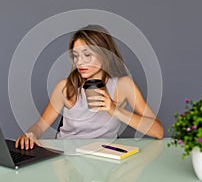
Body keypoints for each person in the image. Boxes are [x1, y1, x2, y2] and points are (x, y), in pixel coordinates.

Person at [15, 25, 164, 150]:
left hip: (104, 158)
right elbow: (40, 125)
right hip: (67, 158)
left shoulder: (123, 86)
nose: (80, 62)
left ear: (104, 54)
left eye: (87, 55)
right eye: (75, 56)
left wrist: (114, 110)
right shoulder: (65, 87)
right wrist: (31, 134)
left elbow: (158, 131)